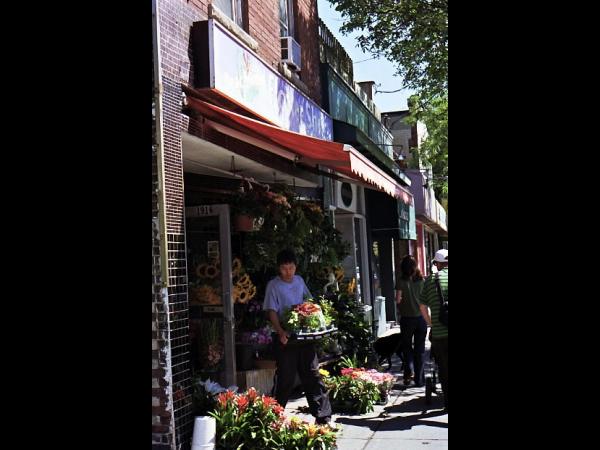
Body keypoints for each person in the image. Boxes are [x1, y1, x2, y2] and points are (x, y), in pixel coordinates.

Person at [263, 249, 332, 425]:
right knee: (285, 378)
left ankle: (323, 416)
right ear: (279, 268)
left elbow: (309, 303)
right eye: (284, 268)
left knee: (312, 374)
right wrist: (280, 332)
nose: (288, 272)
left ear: (296, 267)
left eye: (291, 268)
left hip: (304, 336)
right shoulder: (274, 285)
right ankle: (275, 416)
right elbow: (271, 310)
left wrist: (314, 318)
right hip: (285, 337)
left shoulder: (300, 281)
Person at [419, 249, 448, 410]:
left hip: (439, 334)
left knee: (443, 368)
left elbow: (422, 307)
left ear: (436, 264)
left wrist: (431, 323)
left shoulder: (430, 280)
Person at [395, 255, 426, 387]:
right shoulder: (421, 280)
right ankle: (419, 380)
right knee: (420, 350)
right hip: (420, 319)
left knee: (407, 348)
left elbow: (398, 300)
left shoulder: (401, 281)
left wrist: (402, 305)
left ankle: (409, 373)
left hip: (407, 319)